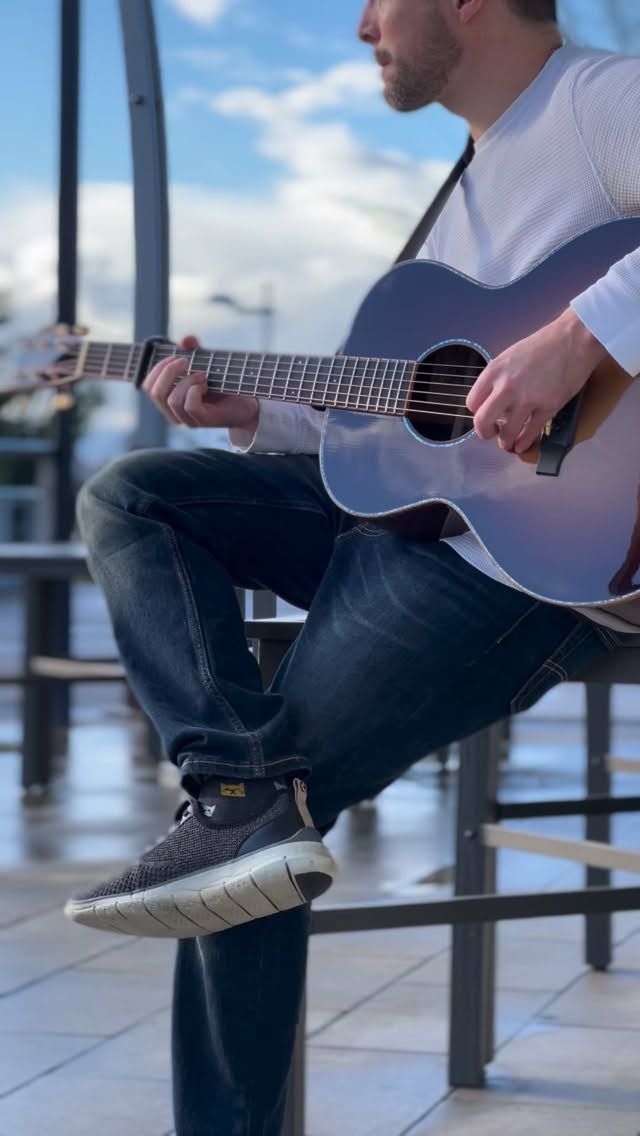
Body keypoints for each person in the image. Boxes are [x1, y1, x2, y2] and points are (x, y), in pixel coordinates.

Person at [66, 0, 640, 1131]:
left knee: (242, 848)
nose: (360, 23)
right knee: (130, 492)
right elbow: (404, 424)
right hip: (421, 518)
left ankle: (245, 807)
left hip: (526, 559)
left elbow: (534, 381)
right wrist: (254, 412)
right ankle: (235, 785)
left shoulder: (599, 101)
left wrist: (576, 339)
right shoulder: (461, 194)